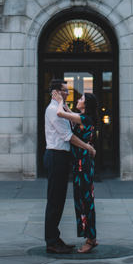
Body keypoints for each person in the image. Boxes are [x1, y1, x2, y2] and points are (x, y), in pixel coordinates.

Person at [43, 79, 95, 254]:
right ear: (56, 92)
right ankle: (52, 241)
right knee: (54, 200)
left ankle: (55, 238)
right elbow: (67, 136)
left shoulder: (62, 109)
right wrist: (87, 146)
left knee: (58, 200)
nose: (67, 93)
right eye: (64, 91)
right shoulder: (53, 110)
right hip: (56, 156)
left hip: (62, 157)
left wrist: (63, 105)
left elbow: (71, 120)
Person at [57, 92, 99, 253]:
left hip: (83, 164)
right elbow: (68, 112)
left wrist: (60, 101)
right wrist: (64, 104)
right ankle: (91, 237)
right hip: (80, 163)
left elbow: (61, 113)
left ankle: (90, 239)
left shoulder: (85, 119)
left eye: (81, 99)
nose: (78, 100)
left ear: (86, 104)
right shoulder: (82, 117)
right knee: (81, 199)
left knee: (85, 201)